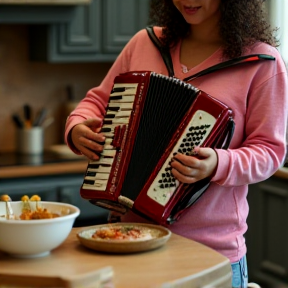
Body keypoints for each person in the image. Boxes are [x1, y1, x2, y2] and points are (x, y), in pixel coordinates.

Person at [65, 1, 288, 287]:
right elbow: (97, 102)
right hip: (130, 241)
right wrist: (77, 127)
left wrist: (218, 164)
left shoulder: (262, 62)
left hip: (212, 253)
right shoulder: (145, 43)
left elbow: (271, 151)